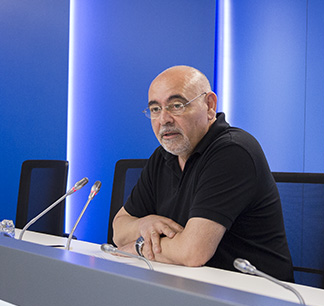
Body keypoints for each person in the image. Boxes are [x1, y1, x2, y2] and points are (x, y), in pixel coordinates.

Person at [112, 65, 294, 281]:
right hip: (190, 288)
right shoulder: (162, 156)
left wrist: (140, 246)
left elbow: (193, 252)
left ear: (209, 106)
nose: (164, 119)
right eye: (155, 109)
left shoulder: (233, 151)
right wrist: (143, 224)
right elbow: (119, 231)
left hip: (254, 299)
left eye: (176, 105)